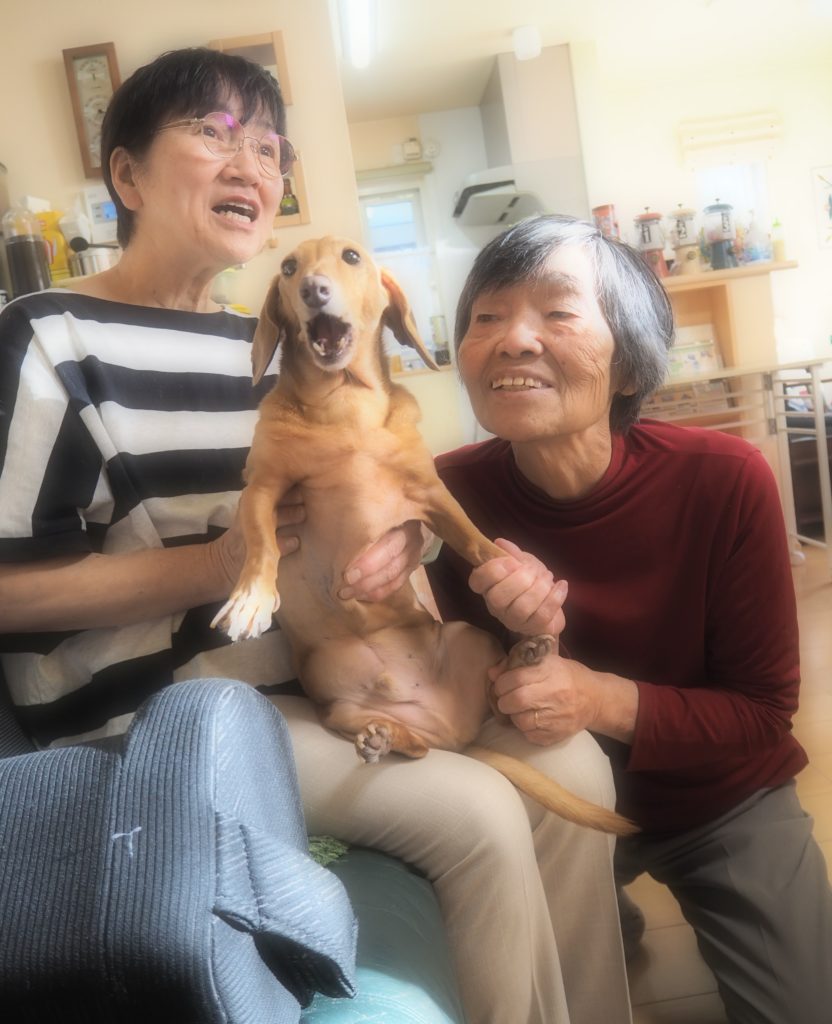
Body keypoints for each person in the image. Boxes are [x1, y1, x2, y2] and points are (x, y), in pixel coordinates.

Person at [0, 50, 630, 1024]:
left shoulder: (266, 340)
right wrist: (219, 565)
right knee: (477, 814)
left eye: (268, 147)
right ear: (125, 174)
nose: (250, 165)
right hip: (175, 719)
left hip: (319, 672)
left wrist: (406, 547)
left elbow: (354, 510)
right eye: (212, 134)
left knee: (576, 764)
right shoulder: (46, 338)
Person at [357, 212, 832, 1024]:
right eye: (486, 317)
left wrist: (597, 697)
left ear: (628, 363)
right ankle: (611, 907)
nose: (513, 339)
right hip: (555, 804)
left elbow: (762, 714)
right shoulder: (443, 495)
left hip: (719, 800)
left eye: (558, 312)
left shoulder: (724, 479)